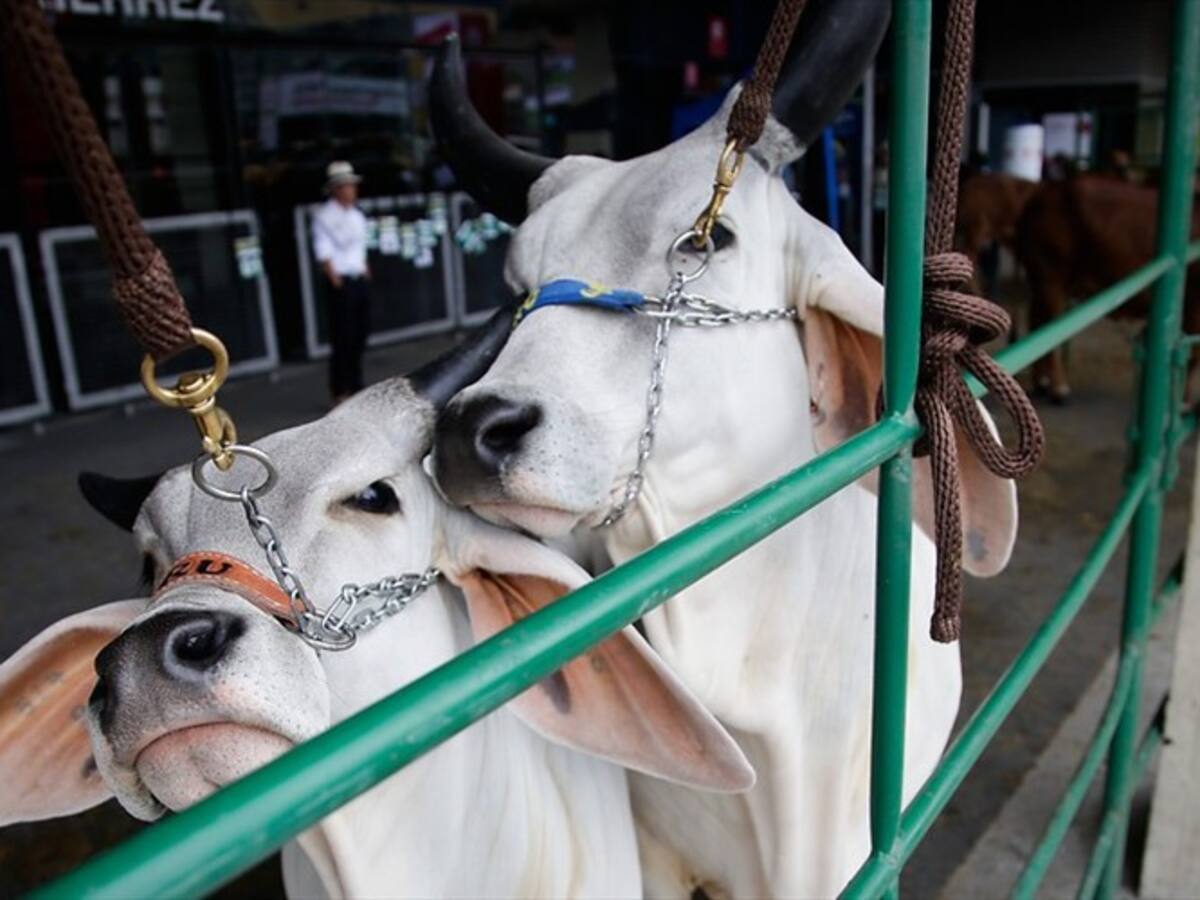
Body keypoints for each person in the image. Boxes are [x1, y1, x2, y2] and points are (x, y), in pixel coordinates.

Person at [312, 160, 371, 403]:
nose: (351, 190)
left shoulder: (356, 215)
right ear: (336, 189)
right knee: (342, 336)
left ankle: (357, 383)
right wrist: (333, 276)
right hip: (341, 281)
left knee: (359, 333)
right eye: (346, 186)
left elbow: (360, 245)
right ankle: (340, 389)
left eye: (352, 186)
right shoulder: (325, 216)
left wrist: (365, 269)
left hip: (357, 276)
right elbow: (323, 249)